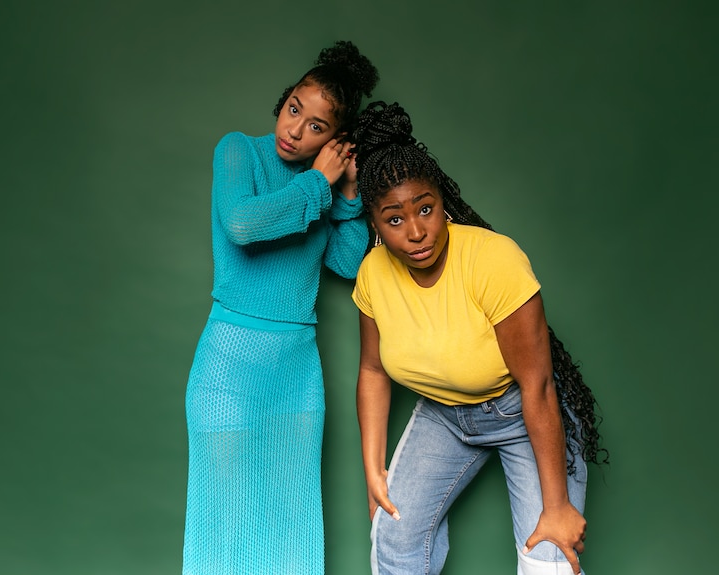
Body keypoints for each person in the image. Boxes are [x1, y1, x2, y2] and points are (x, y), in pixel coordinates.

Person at [350, 102, 607, 575]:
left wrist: (557, 505)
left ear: (441, 200)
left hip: (520, 411)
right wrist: (373, 470)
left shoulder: (493, 260)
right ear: (374, 223)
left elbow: (539, 386)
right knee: (392, 532)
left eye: (425, 209)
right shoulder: (372, 275)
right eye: (395, 219)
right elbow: (372, 369)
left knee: (550, 561)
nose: (417, 232)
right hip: (444, 417)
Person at [182, 41, 379, 575]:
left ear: (334, 141)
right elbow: (242, 226)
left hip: (296, 370)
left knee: (292, 513)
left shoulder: (323, 187)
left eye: (316, 126)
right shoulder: (238, 151)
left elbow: (347, 265)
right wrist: (319, 182)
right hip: (229, 366)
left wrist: (351, 194)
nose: (295, 130)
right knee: (224, 519)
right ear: (283, 101)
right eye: (295, 108)